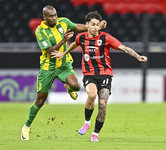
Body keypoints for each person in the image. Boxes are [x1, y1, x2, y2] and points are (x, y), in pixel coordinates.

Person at [51, 11, 148, 142]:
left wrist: (138, 56)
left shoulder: (106, 37)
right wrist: (64, 53)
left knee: (102, 105)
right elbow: (75, 44)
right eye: (93, 24)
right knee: (91, 95)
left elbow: (123, 47)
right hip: (89, 74)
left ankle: (95, 133)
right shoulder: (81, 37)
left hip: (105, 74)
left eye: (97, 24)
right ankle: (87, 122)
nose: (96, 27)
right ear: (87, 25)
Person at [21, 6, 107, 140]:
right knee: (40, 101)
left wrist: (94, 27)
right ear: (45, 17)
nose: (54, 18)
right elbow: (51, 51)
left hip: (64, 65)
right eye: (50, 16)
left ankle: (68, 86)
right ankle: (26, 127)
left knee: (77, 86)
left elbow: (77, 27)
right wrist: (64, 40)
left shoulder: (63, 22)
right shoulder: (41, 31)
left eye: (55, 15)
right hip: (48, 68)